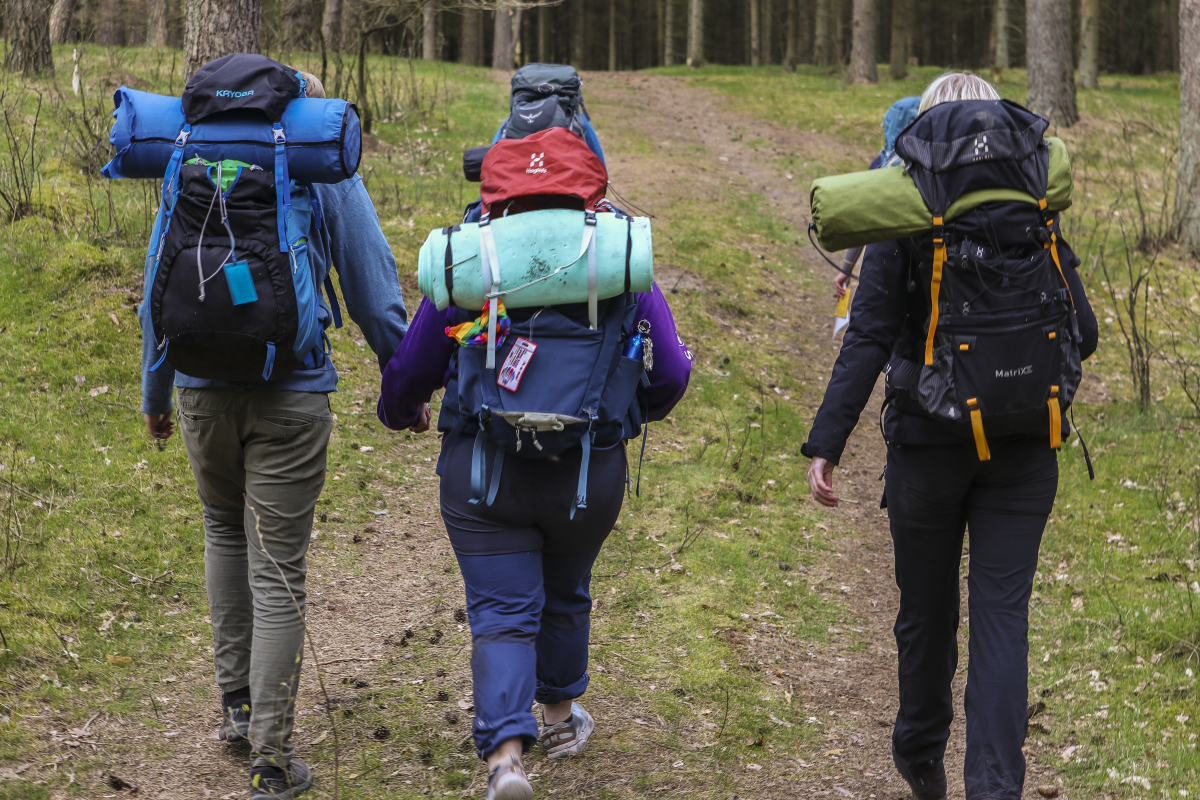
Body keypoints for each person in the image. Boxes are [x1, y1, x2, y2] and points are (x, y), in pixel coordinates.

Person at [801, 72, 1098, 800]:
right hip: (1026, 443)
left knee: (927, 612)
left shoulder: (909, 202)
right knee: (1003, 619)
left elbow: (869, 334)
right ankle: (994, 787)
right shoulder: (1034, 205)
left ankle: (920, 753)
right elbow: (1084, 332)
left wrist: (827, 442)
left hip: (929, 447)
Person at [140, 72, 409, 800]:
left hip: (199, 387)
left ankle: (237, 709)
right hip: (292, 392)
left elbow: (157, 279)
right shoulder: (315, 157)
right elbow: (372, 282)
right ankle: (271, 759)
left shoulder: (191, 155)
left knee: (224, 531)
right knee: (278, 571)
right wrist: (404, 380)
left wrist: (156, 391)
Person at [378, 285, 690, 800]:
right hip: (586, 471)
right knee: (566, 586)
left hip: (484, 469)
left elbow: (413, 364)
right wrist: (621, 410)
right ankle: (560, 721)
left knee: (502, 613)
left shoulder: (474, 257)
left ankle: (506, 762)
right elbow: (672, 373)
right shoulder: (621, 262)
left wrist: (399, 411)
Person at [833, 96, 920, 300]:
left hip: (883, 265)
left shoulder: (880, 166)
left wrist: (846, 269)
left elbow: (862, 220)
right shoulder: (943, 168)